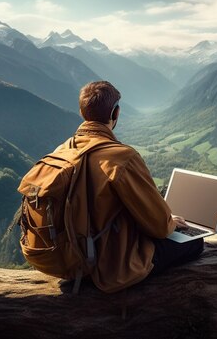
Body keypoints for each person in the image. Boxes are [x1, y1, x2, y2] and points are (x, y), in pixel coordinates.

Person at [54, 80, 203, 293]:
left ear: (81, 112)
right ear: (116, 113)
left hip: (70, 258)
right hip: (111, 266)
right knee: (195, 244)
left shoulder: (63, 150)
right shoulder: (123, 158)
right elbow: (159, 226)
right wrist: (171, 223)